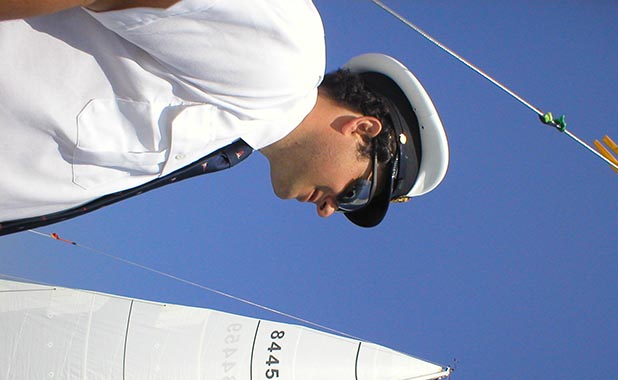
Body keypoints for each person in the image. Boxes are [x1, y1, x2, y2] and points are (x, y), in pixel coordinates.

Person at [0, 0, 448, 234]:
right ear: (362, 129)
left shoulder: (233, 136)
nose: (330, 209)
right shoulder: (286, 58)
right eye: (356, 192)